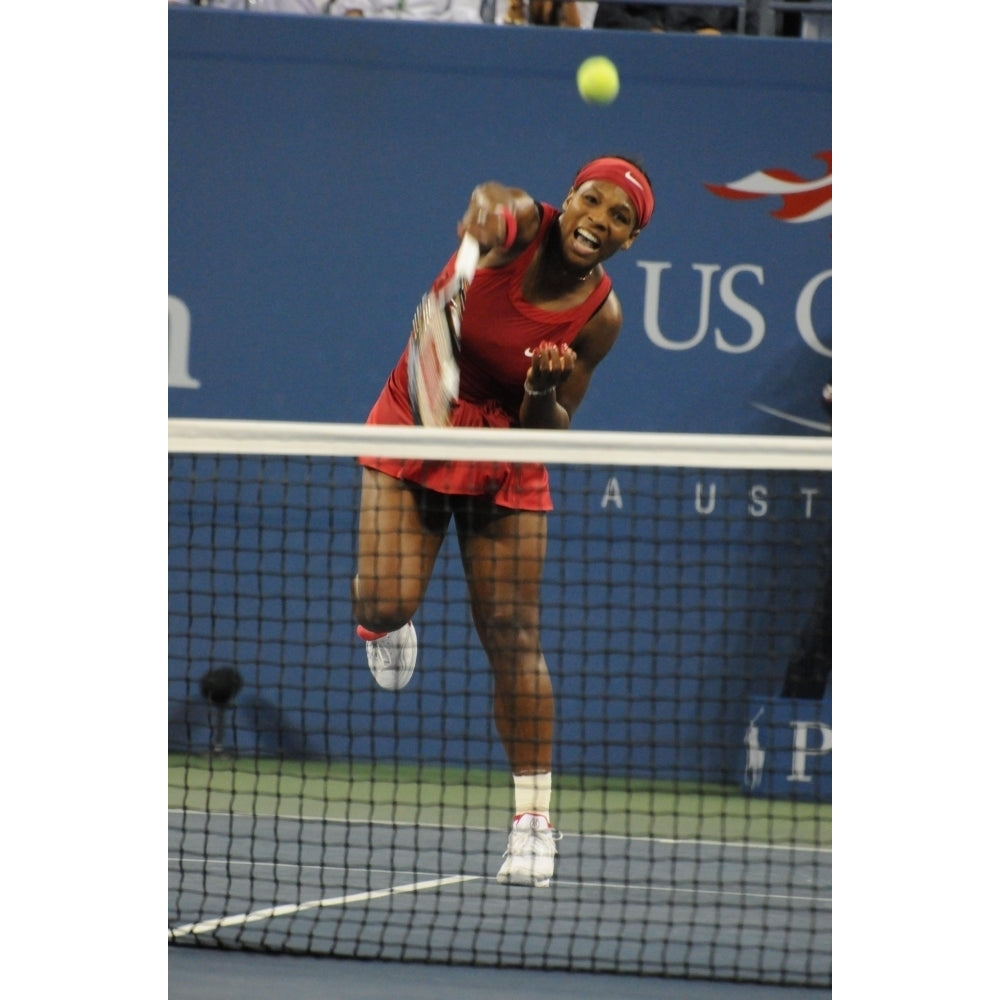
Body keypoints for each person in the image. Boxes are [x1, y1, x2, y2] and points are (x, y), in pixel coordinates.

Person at [352, 156, 655, 887]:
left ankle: (533, 824)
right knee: (384, 601)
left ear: (629, 241)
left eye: (621, 217)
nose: (599, 220)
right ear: (568, 198)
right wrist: (488, 210)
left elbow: (547, 431)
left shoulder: (601, 317)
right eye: (592, 200)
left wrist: (542, 387)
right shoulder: (518, 229)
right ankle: (387, 624)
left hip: (507, 445)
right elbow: (499, 201)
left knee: (514, 634)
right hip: (423, 411)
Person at [592, 2, 737, 33]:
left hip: (696, 61)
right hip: (638, 54)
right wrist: (649, 30)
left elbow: (752, 30)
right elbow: (606, 16)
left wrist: (720, 36)